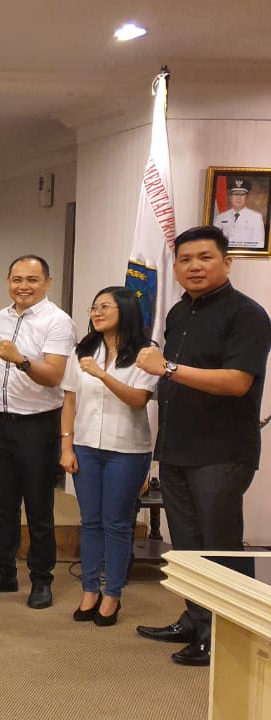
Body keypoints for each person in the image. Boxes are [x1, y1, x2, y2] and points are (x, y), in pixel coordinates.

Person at [135, 225, 271, 667]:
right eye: (186, 259)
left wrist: (167, 368)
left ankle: (226, 636)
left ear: (226, 262)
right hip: (177, 446)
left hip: (221, 451)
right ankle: (195, 620)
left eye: (205, 257)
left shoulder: (248, 314)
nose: (194, 266)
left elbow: (237, 382)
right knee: (187, 543)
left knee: (220, 544)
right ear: (176, 267)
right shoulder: (179, 312)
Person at [0, 255, 74, 610]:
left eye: (32, 280)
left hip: (37, 425)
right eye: (17, 279)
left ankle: (41, 579)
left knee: (39, 508)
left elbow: (55, 376)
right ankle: (4, 572)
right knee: (3, 506)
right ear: (8, 281)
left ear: (48, 282)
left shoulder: (58, 321)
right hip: (0, 423)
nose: (23, 286)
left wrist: (21, 360)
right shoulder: (2, 316)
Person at [58, 286, 156, 627]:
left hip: (126, 450)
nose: (96, 313)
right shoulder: (83, 350)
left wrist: (102, 374)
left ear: (125, 310)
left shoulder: (146, 353)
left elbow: (138, 400)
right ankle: (89, 590)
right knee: (90, 521)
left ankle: (112, 594)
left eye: (105, 307)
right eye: (94, 307)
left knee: (116, 523)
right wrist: (66, 446)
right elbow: (70, 401)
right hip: (85, 445)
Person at [213, 177, 266, 250]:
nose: (238, 198)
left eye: (242, 195)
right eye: (235, 194)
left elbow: (259, 244)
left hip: (246, 254)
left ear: (247, 197)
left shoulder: (256, 217)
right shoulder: (221, 217)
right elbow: (214, 240)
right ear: (230, 197)